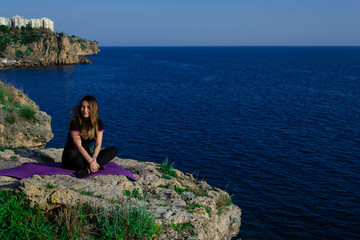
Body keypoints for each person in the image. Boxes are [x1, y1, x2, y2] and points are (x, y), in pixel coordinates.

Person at [62, 95, 118, 178]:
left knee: (113, 150)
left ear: (93, 109)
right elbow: (78, 146)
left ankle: (87, 170)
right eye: (82, 107)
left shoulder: (99, 123)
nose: (85, 110)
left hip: (87, 157)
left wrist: (94, 158)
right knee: (72, 153)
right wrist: (91, 161)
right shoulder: (75, 122)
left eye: (88, 107)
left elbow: (98, 144)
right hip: (73, 157)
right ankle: (94, 166)